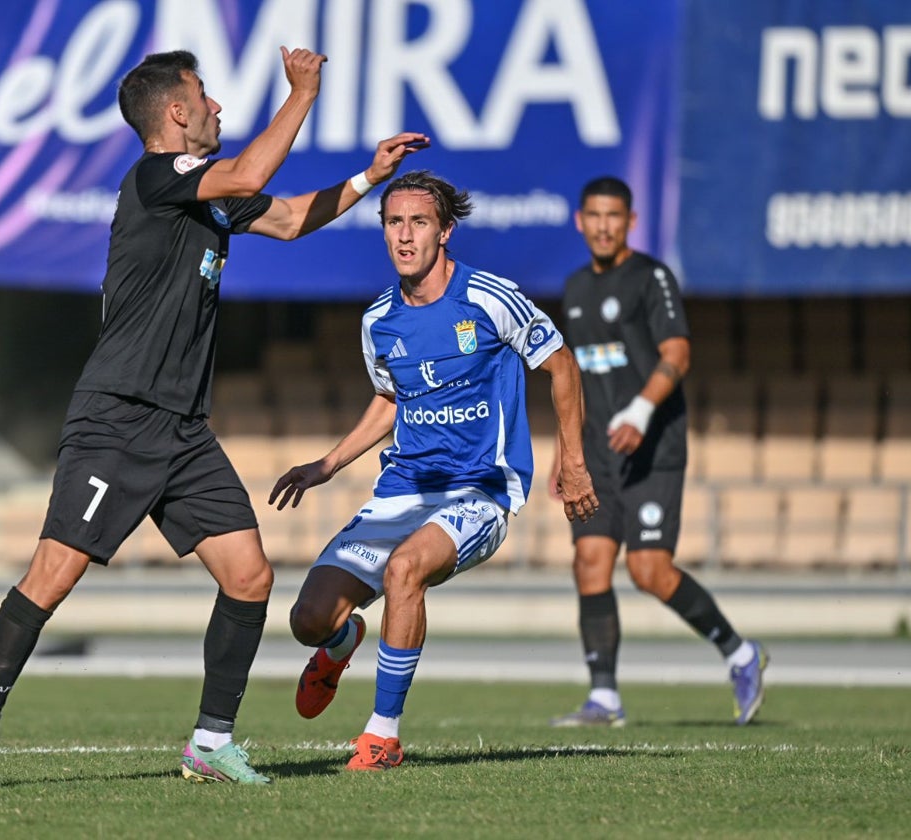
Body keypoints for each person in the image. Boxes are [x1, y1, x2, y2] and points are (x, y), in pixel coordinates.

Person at [0, 47, 428, 792]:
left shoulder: (206, 196)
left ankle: (210, 742)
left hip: (181, 430)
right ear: (175, 111)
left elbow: (294, 217)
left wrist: (370, 176)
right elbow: (252, 174)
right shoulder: (154, 179)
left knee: (249, 576)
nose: (217, 108)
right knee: (52, 574)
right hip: (118, 417)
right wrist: (302, 94)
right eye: (204, 96)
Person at [269, 170, 598, 771]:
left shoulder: (489, 298)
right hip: (403, 491)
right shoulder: (378, 321)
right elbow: (390, 401)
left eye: (419, 222)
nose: (404, 235)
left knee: (405, 571)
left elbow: (563, 367)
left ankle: (382, 735)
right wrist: (327, 464)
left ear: (445, 231)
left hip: (480, 489)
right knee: (308, 619)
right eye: (394, 222)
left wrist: (571, 461)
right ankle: (341, 644)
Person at [548, 176, 767, 728]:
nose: (603, 225)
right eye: (593, 215)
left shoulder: (652, 278)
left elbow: (679, 351)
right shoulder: (574, 289)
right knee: (589, 563)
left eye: (613, 216)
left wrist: (642, 409)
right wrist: (564, 451)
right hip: (597, 454)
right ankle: (604, 698)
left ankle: (739, 652)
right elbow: (568, 377)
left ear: (631, 222)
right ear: (579, 221)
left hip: (653, 448)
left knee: (648, 569)